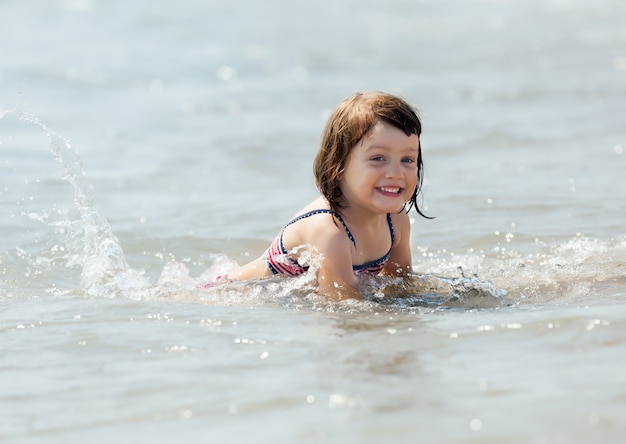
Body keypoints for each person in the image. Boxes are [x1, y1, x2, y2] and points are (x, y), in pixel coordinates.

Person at [200, 91, 429, 299]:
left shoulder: (395, 219)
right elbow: (345, 305)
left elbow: (402, 284)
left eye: (407, 160)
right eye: (378, 158)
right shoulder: (330, 231)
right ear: (339, 165)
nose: (396, 173)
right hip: (230, 295)